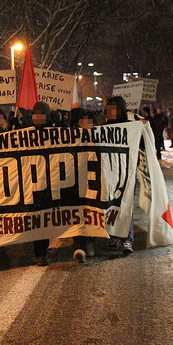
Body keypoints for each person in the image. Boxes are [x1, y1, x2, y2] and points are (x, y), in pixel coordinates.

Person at [104, 96, 134, 255]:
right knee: (111, 205)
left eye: (114, 110)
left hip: (127, 172)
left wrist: (142, 129)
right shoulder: (102, 128)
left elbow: (140, 144)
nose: (111, 113)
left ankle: (127, 239)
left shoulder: (131, 128)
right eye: (109, 110)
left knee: (126, 204)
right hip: (109, 173)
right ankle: (114, 235)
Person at [27, 101, 53, 267]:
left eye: (42, 115)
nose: (38, 118)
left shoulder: (56, 133)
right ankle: (40, 253)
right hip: (32, 182)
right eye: (36, 114)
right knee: (36, 218)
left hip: (51, 182)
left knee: (46, 218)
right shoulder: (25, 134)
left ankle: (42, 251)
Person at [71, 109, 98, 263]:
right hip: (76, 180)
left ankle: (90, 242)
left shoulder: (100, 136)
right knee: (77, 212)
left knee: (92, 212)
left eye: (89, 121)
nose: (86, 124)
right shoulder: (71, 137)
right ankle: (78, 246)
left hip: (93, 180)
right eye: (83, 121)